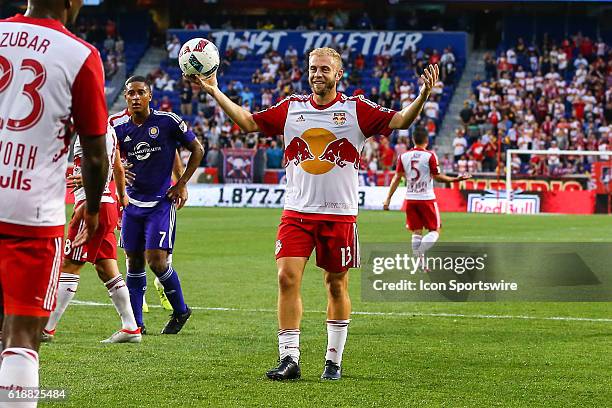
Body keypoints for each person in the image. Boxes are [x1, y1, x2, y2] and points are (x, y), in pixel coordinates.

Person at [188, 47, 439, 381]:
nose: (317, 75)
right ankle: (289, 359)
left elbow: (401, 120)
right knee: (286, 277)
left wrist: (422, 95)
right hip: (297, 213)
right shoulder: (292, 108)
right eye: (312, 69)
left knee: (336, 285)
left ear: (338, 74)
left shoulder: (356, 109)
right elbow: (248, 123)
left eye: (324, 69)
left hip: (339, 215)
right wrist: (214, 90)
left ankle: (333, 360)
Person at [0, 0, 109, 399]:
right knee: (22, 334)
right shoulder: (80, 55)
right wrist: (94, 208)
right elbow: (96, 152)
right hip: (31, 212)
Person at [114, 76, 203, 335]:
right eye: (130, 93)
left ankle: (180, 310)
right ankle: (136, 325)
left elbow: (196, 149)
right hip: (132, 203)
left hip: (161, 203)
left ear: (150, 96)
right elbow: (109, 158)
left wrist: (182, 182)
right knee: (133, 262)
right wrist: (117, 169)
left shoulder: (167, 122)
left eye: (141, 92)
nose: (135, 97)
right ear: (125, 98)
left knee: (156, 261)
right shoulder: (119, 129)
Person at [41, 125, 141, 344]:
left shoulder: (97, 129)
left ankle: (46, 329)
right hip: (105, 204)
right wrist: (122, 197)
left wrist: (88, 188)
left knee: (70, 263)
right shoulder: (109, 130)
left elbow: (101, 163)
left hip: (92, 205)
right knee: (106, 267)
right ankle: (131, 327)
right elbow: (117, 167)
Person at [383, 129, 471, 267]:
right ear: (427, 140)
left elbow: (396, 178)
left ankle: (420, 263)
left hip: (410, 199)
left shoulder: (403, 156)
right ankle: (420, 252)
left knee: (417, 231)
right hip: (426, 198)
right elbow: (438, 177)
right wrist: (455, 179)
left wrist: (388, 198)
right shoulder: (430, 156)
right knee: (436, 230)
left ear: (413, 140)